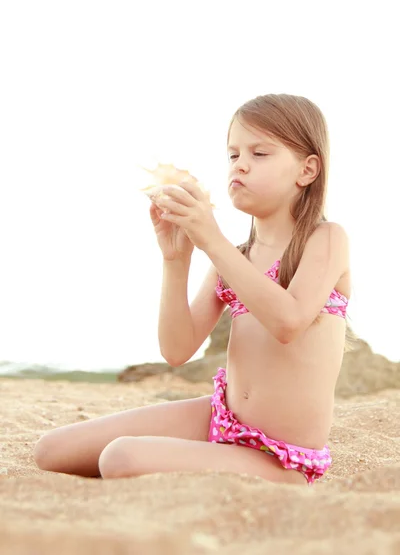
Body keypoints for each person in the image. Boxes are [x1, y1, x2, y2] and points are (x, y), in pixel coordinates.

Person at [33, 94, 351, 486]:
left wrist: (211, 241)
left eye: (260, 152)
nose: (241, 164)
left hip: (281, 456)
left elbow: (289, 322)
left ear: (307, 170)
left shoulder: (326, 239)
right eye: (233, 155)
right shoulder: (237, 257)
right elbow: (176, 349)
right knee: (50, 451)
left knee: (120, 456)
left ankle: (265, 474)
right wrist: (175, 260)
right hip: (222, 417)